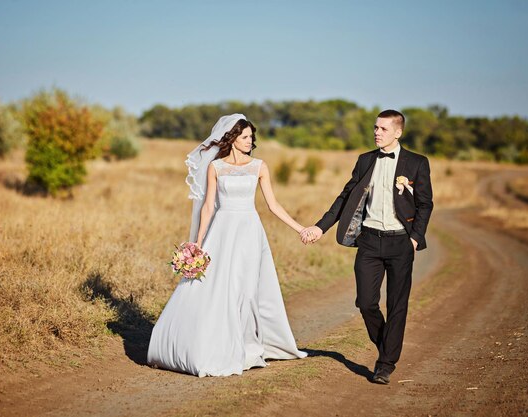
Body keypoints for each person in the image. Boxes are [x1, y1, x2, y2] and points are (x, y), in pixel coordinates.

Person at [147, 114, 307, 377]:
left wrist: (300, 228)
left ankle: (247, 346)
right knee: (219, 287)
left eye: (251, 137)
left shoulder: (259, 166)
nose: (250, 141)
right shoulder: (216, 167)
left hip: (249, 232)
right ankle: (209, 343)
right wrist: (197, 243)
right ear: (232, 138)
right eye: (245, 137)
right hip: (222, 232)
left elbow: (273, 205)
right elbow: (208, 206)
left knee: (246, 290)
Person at [301, 110, 433, 384]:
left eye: (383, 129)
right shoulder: (365, 161)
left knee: (397, 304)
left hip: (401, 242)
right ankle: (388, 347)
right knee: (365, 302)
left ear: (398, 132)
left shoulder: (417, 163)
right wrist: (320, 227)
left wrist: (414, 238)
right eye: (375, 128)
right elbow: (344, 197)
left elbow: (424, 203)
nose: (377, 133)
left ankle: (385, 364)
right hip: (370, 241)